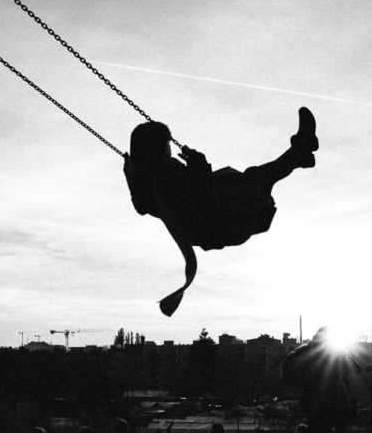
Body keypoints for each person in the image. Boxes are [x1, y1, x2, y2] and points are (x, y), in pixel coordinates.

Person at [124, 107, 318, 315]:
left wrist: (130, 177)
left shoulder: (144, 180)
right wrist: (199, 166)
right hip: (226, 221)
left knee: (258, 177)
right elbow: (206, 203)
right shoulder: (167, 175)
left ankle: (301, 155)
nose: (170, 149)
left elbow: (141, 206)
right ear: (159, 148)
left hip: (215, 227)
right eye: (167, 145)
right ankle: (300, 151)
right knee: (258, 177)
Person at [281, 327, 358, 433]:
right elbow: (356, 369)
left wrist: (301, 385)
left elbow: (288, 374)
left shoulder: (302, 352)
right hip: (336, 398)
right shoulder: (336, 352)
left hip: (314, 399)